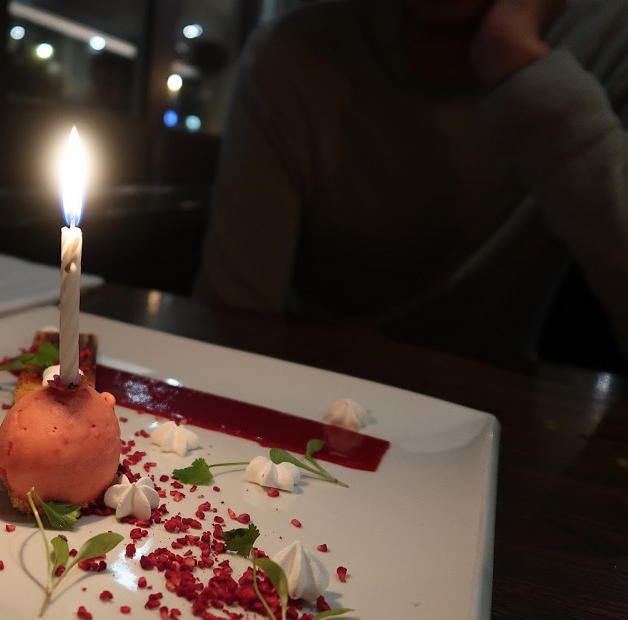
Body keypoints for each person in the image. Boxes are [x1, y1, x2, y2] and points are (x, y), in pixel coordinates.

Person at [193, 0, 628, 364]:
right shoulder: (292, 53)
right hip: (309, 408)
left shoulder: (610, 35)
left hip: (512, 412)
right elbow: (229, 326)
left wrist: (528, 76)